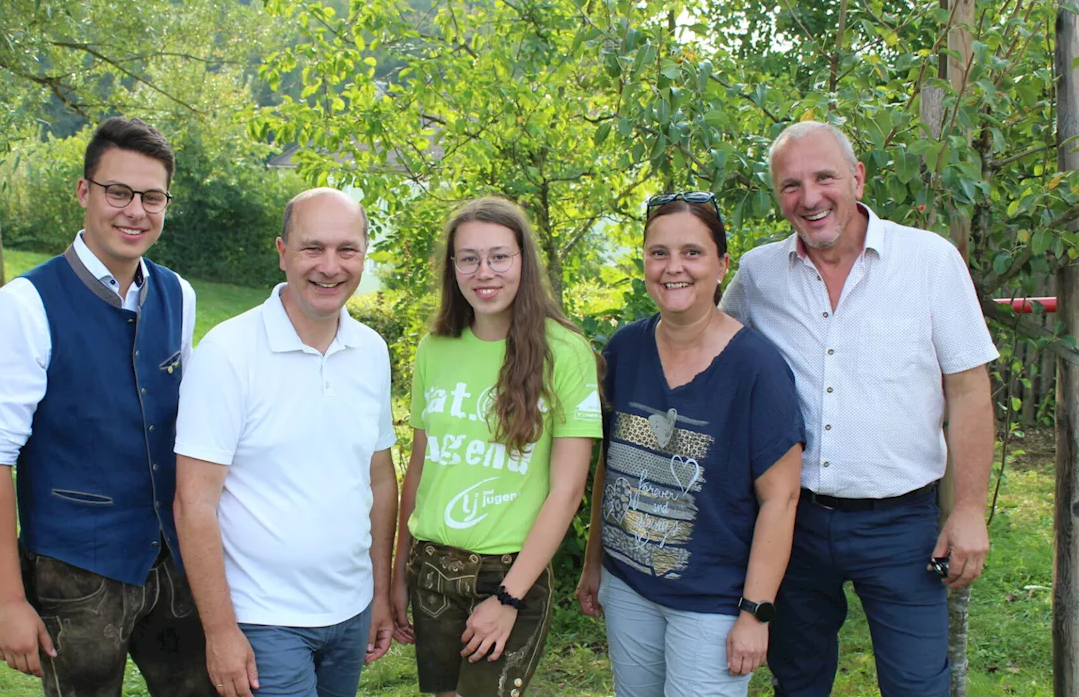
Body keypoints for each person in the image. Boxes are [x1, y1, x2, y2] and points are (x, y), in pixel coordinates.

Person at [720, 120, 998, 697]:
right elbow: (712, 354)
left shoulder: (928, 261)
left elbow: (969, 390)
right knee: (797, 682)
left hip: (901, 526)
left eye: (824, 177)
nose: (810, 197)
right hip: (791, 522)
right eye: (791, 185)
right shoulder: (757, 275)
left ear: (857, 177)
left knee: (919, 686)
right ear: (777, 196)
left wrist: (968, 509)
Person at [0, 116, 214, 695]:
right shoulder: (22, 306)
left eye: (151, 197)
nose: (135, 210)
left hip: (174, 562)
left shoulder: (179, 293)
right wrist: (6, 599)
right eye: (118, 192)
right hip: (73, 571)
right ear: (85, 192)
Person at [574, 192, 805, 696]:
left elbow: (781, 499)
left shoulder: (757, 369)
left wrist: (755, 612)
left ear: (722, 265)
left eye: (692, 253)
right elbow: (610, 470)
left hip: (713, 602)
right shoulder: (623, 350)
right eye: (659, 253)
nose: (673, 267)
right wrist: (595, 565)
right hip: (629, 585)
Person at [173, 187, 398, 697]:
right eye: (312, 248)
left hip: (351, 611)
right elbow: (194, 503)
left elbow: (379, 479)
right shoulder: (228, 352)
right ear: (281, 251)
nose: (330, 266)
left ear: (364, 254)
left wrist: (379, 593)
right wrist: (221, 631)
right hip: (263, 619)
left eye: (347, 250)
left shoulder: (372, 350)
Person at [390, 196, 602, 697]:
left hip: (509, 575)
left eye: (499, 256)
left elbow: (567, 492)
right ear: (453, 268)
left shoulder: (566, 352)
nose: (484, 272)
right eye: (469, 258)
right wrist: (399, 572)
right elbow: (419, 468)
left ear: (523, 262)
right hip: (433, 570)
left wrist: (507, 597)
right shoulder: (434, 347)